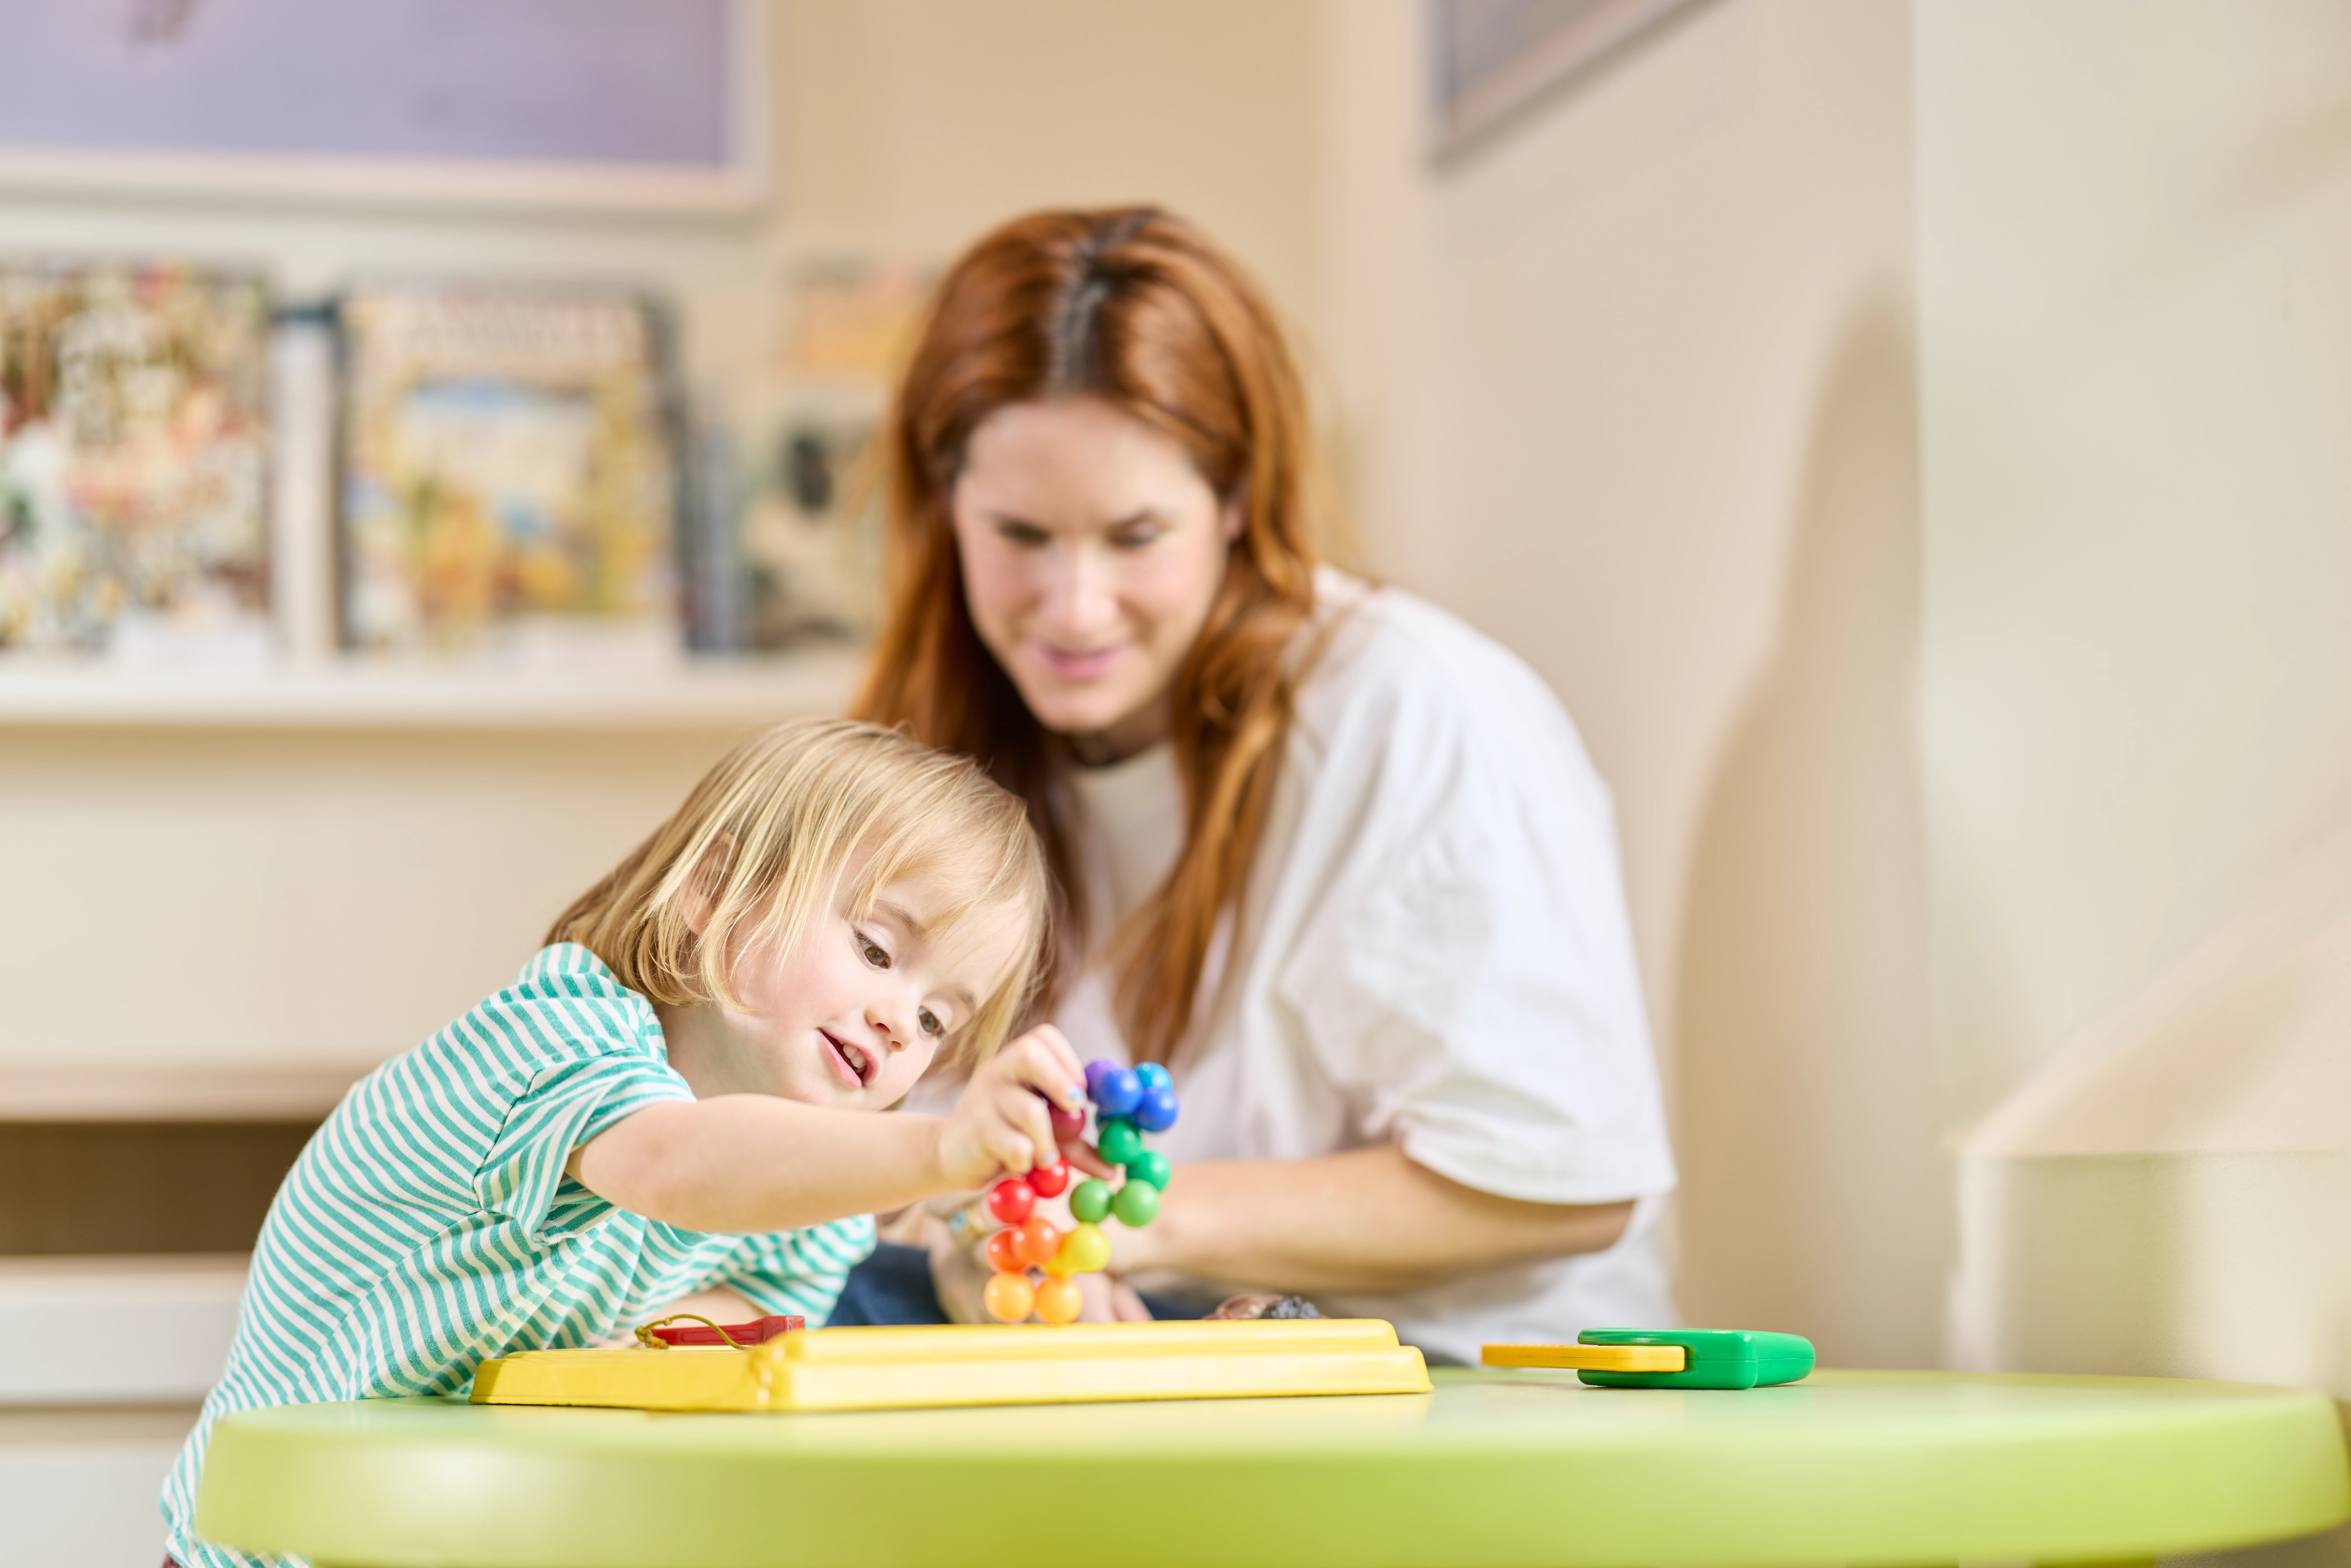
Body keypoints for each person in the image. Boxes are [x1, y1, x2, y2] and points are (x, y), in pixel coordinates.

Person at [847, 207, 1678, 1363]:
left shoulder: (1415, 709)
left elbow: (1563, 1179)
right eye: (1021, 533)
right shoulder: (926, 752)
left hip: (1444, 1371)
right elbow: (898, 1147)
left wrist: (1100, 1225)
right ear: (946, 509)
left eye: (1136, 535)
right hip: (1140, 1350)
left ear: (1235, 502)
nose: (1074, 606)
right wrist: (970, 1241)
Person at [160, 719, 1082, 1568]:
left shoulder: (801, 1190)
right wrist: (940, 1153)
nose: (895, 1023)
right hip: (272, 1547)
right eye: (878, 950)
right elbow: (678, 1166)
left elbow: (735, 1319)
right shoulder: (557, 1041)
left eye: (934, 1019)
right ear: (716, 893)